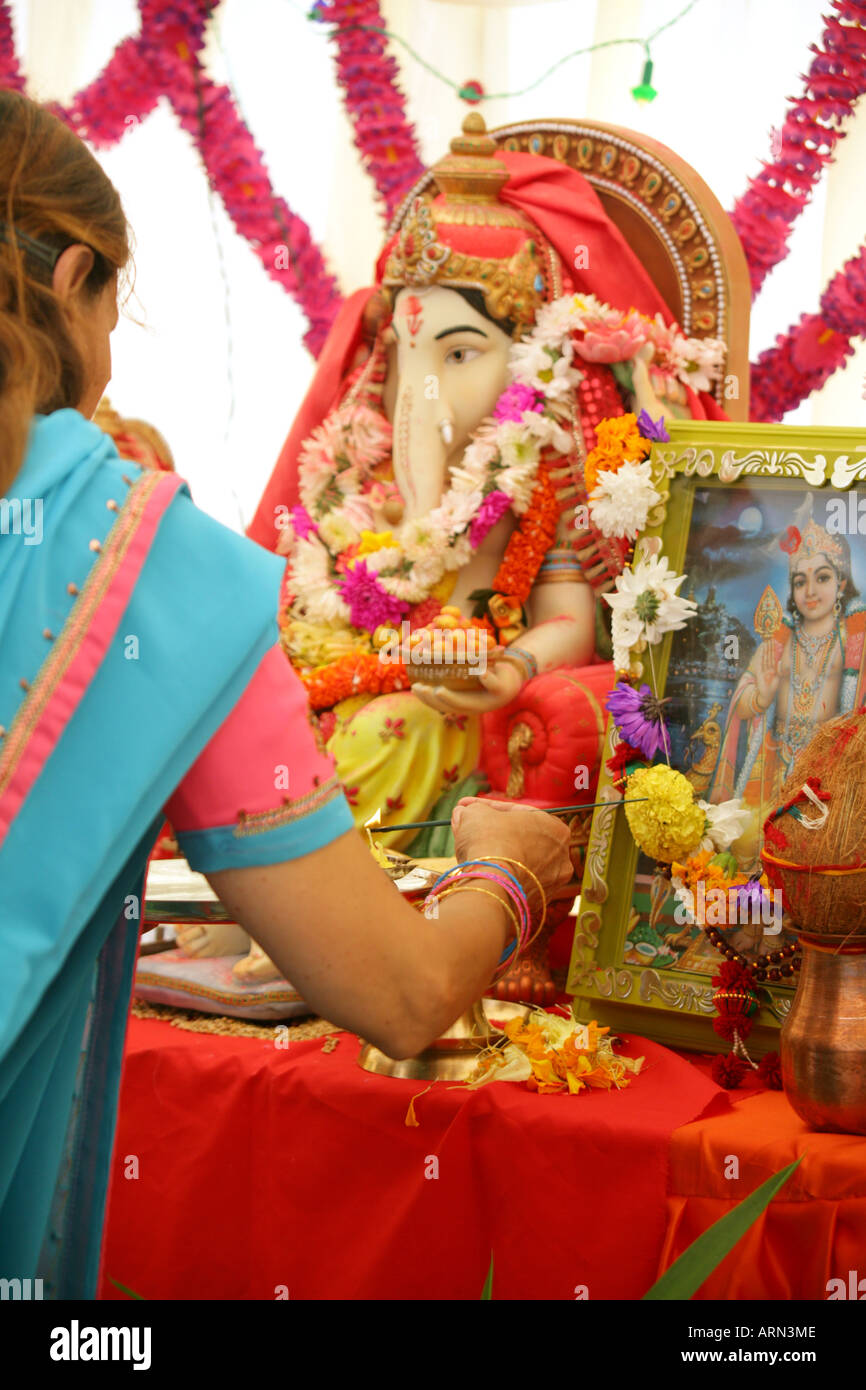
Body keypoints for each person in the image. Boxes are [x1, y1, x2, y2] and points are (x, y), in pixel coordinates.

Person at [0, 90, 573, 1299]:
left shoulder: (548, 476)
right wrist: (512, 871)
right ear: (74, 286)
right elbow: (397, 993)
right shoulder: (147, 565)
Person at [711, 519, 866, 865]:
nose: (810, 590)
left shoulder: (856, 640)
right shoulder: (779, 641)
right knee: (752, 860)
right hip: (772, 768)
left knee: (816, 865)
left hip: (827, 777)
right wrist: (762, 697)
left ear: (841, 582)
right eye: (800, 581)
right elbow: (743, 702)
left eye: (822, 577)